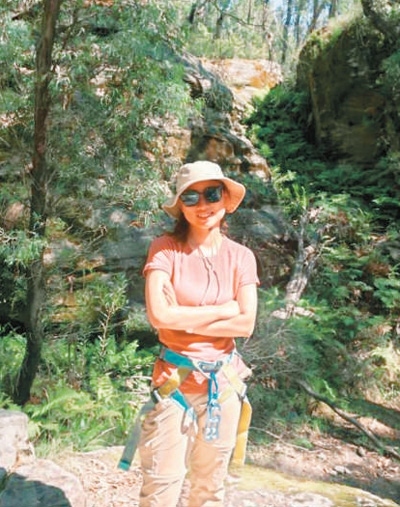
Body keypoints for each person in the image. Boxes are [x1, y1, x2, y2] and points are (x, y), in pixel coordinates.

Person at [138, 160, 259, 507]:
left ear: (225, 199)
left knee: (209, 489)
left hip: (223, 385)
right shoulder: (165, 249)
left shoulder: (241, 257)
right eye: (190, 197)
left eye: (212, 194)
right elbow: (159, 316)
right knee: (160, 488)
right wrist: (224, 309)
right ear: (180, 205)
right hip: (174, 382)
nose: (203, 205)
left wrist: (181, 318)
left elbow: (245, 324)